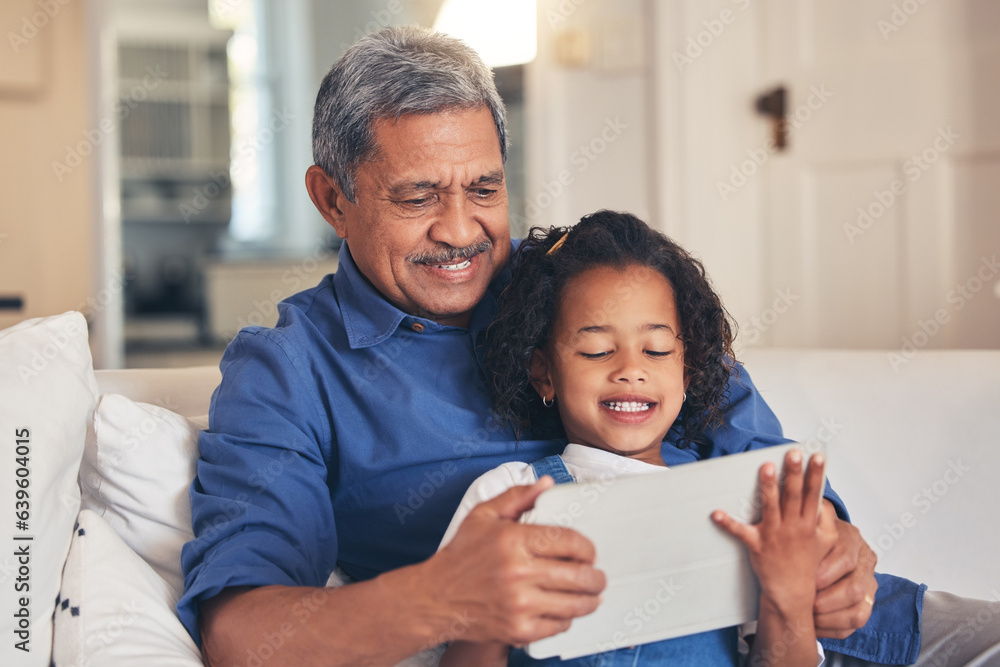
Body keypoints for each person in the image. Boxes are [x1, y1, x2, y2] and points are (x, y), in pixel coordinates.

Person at [178, 25, 994, 667]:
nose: (461, 230)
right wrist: (445, 599)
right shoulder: (290, 368)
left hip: (841, 635)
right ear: (332, 197)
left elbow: (769, 463)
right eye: (418, 195)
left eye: (485, 189)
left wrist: (829, 542)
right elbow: (245, 636)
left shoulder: (592, 282)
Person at [437, 212, 830, 666]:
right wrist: (491, 618)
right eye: (597, 350)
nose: (630, 369)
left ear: (687, 369)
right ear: (544, 373)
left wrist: (789, 599)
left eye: (657, 350)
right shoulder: (506, 498)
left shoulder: (733, 504)